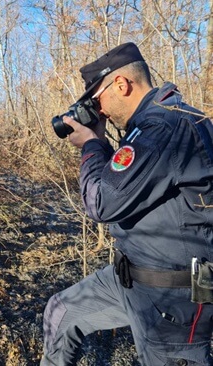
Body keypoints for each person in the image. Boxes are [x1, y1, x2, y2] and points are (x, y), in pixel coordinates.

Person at [41, 42, 213, 365]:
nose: (99, 109)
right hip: (133, 278)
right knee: (61, 313)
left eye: (98, 98)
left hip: (173, 297)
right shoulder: (152, 126)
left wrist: (91, 146)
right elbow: (121, 185)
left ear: (121, 84)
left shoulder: (163, 128)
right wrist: (100, 143)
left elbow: (101, 202)